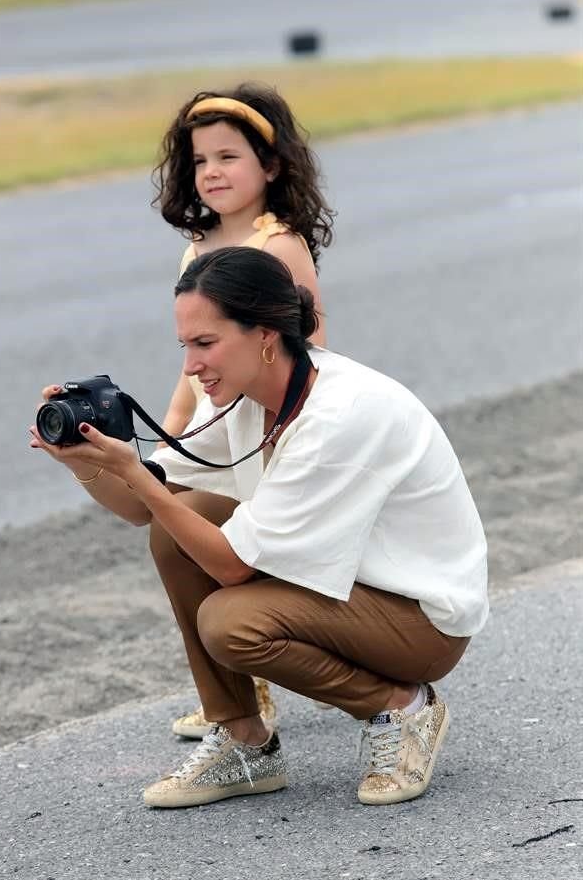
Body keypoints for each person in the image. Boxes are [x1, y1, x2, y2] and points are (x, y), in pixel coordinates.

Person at [30, 247, 489, 810]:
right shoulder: (251, 397)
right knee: (178, 524)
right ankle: (244, 741)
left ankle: (402, 706)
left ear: (265, 335)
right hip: (347, 586)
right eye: (185, 346)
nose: (191, 366)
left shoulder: (341, 414)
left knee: (230, 624)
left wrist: (134, 473)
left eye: (206, 343)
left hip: (419, 619)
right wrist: (84, 460)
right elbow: (141, 507)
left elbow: (230, 565)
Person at [151, 81, 334, 737]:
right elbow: (191, 365)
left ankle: (300, 671)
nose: (212, 172)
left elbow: (308, 353)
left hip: (260, 438)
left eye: (229, 156)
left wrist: (285, 446)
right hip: (210, 437)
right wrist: (168, 442)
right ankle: (230, 698)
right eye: (200, 160)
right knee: (175, 536)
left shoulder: (279, 246)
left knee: (230, 553)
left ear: (271, 166)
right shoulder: (197, 248)